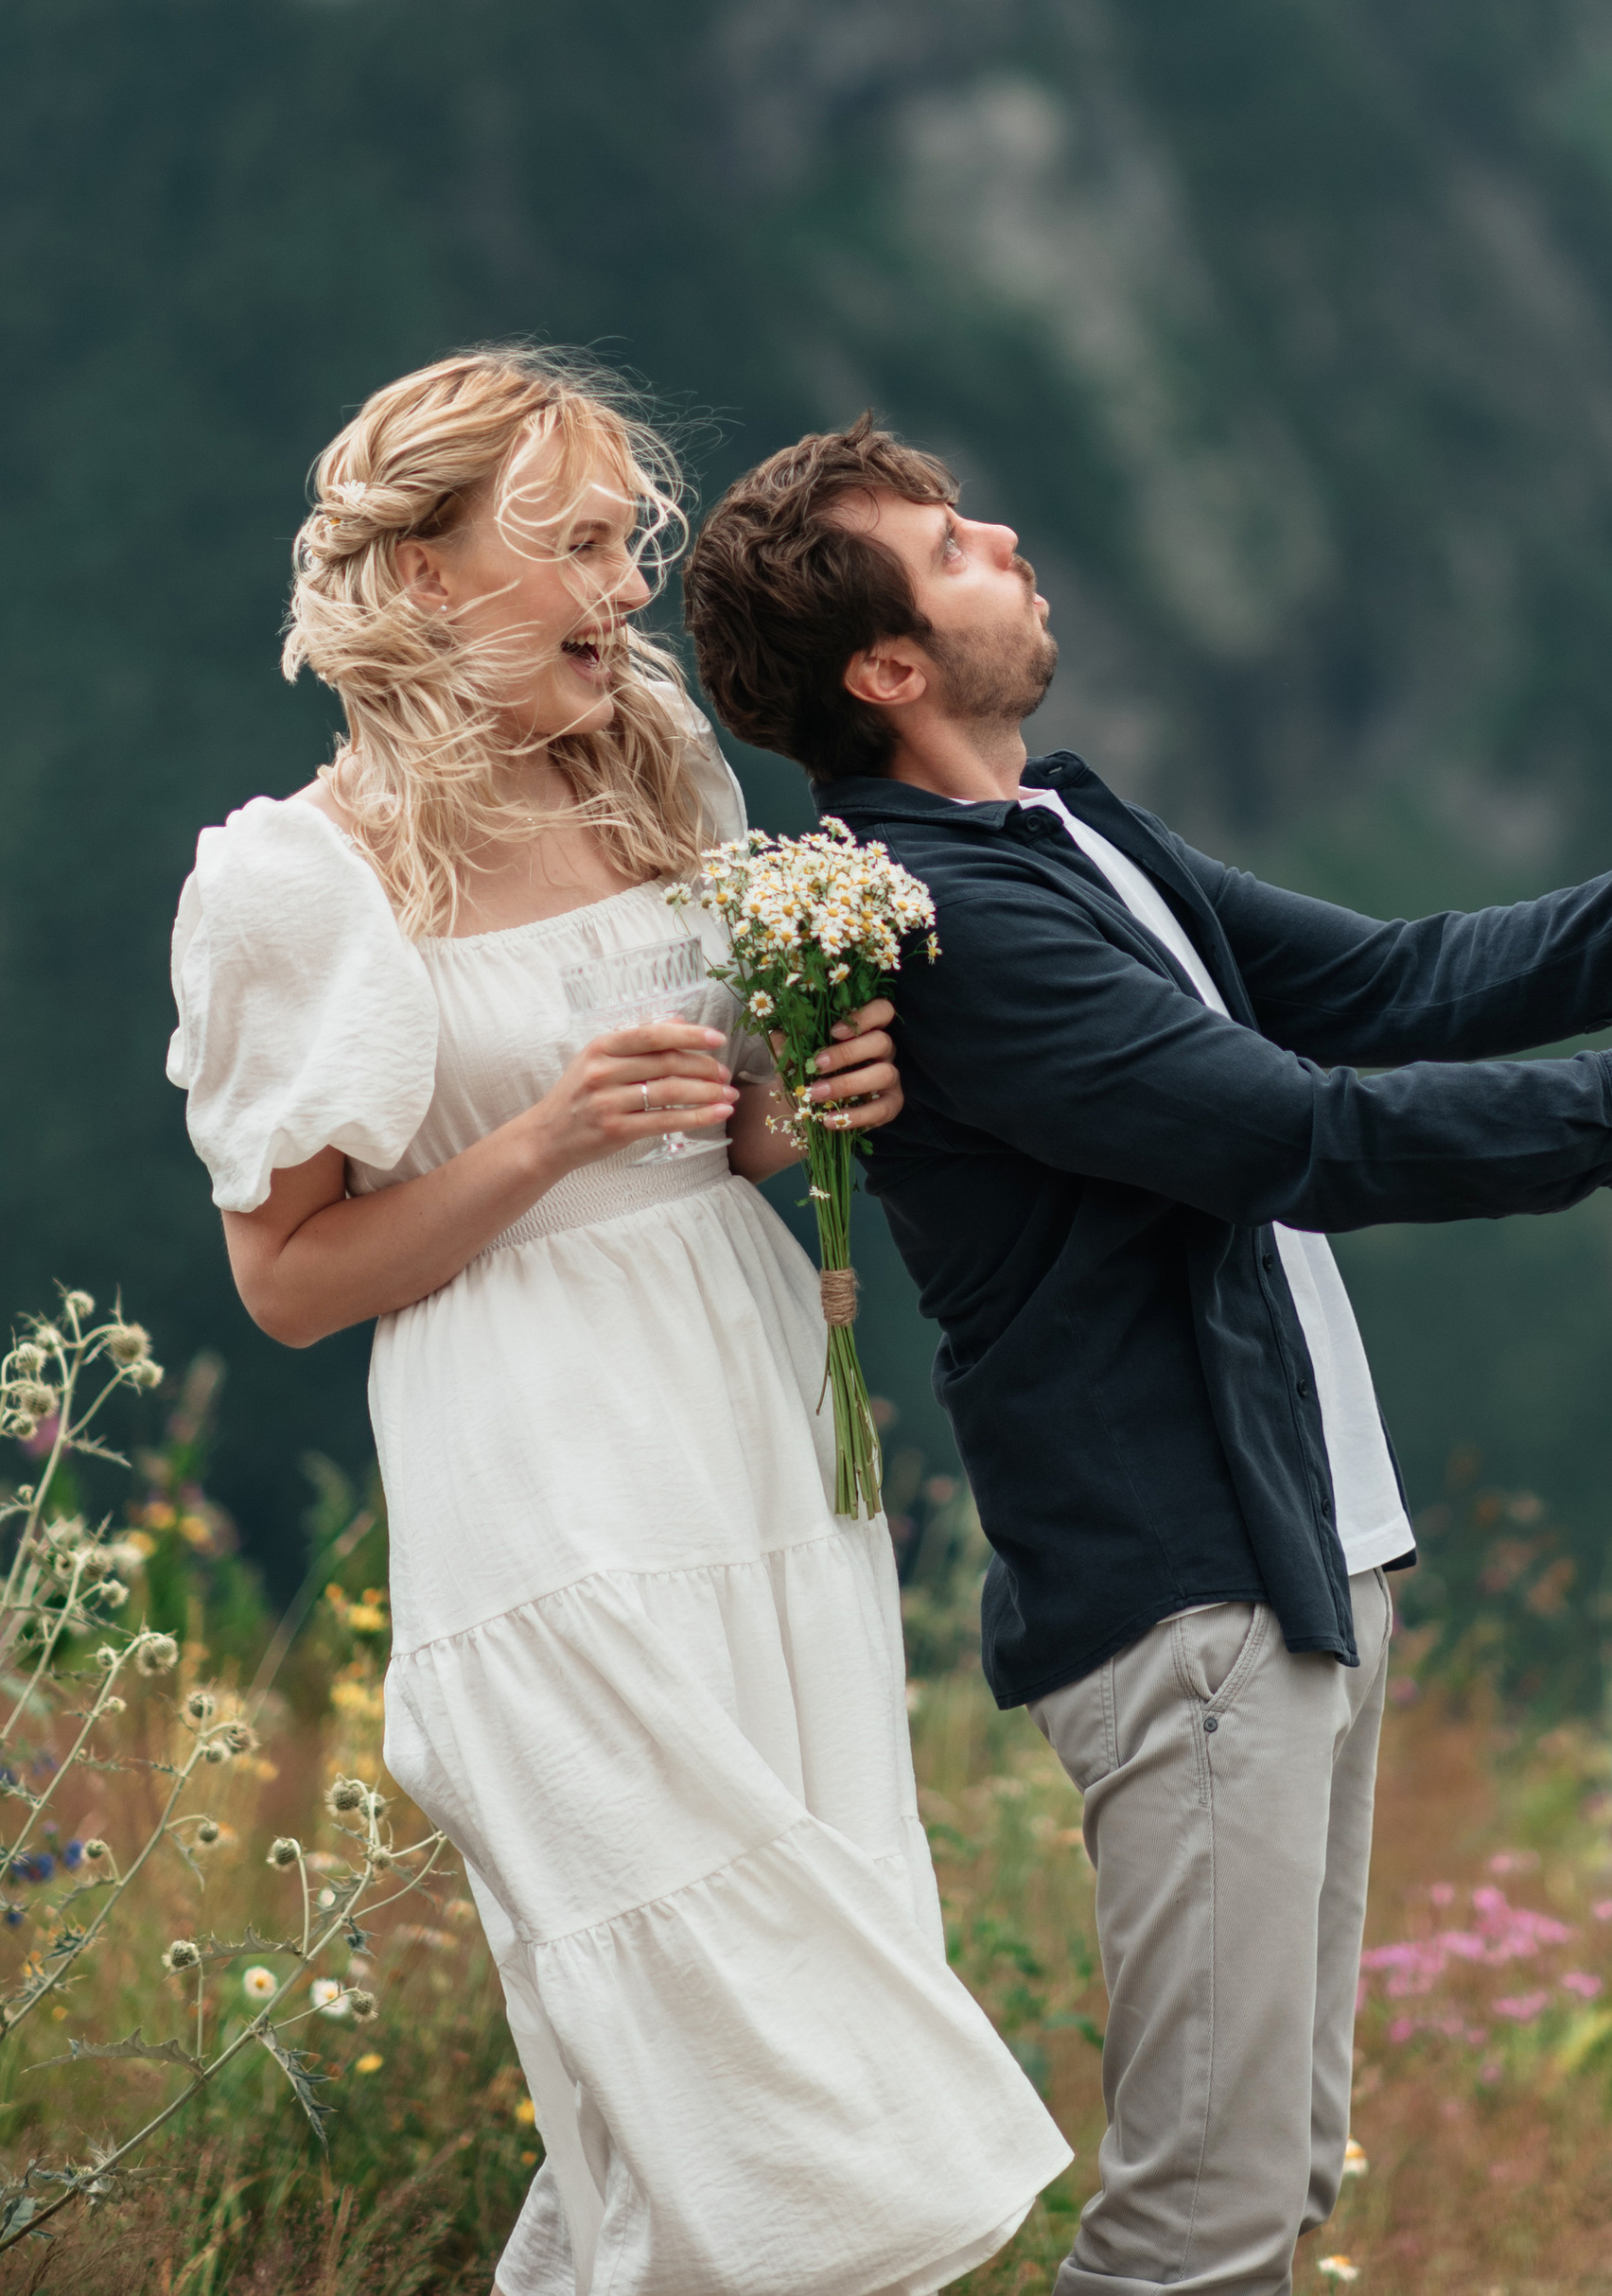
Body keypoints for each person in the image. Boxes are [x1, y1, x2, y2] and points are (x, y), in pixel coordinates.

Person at [682, 418, 1612, 2296]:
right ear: (883, 668)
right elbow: (1299, 1137)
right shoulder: (951, 923)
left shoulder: (1061, 827)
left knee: (1273, 2191)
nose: (1007, 538)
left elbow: (1383, 986)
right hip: (1181, 1598)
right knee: (1192, 2225)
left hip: (1299, 1557)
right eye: (951, 548)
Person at [168, 355, 1068, 2296]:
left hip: (747, 1427)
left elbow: (717, 1130)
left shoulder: (652, 764)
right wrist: (552, 1135)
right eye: (568, 545)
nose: (621, 591)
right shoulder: (290, 880)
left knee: (704, 2084)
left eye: (623, 543)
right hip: (540, 1481)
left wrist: (780, 1113)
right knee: (757, 2079)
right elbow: (288, 1282)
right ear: (416, 575)